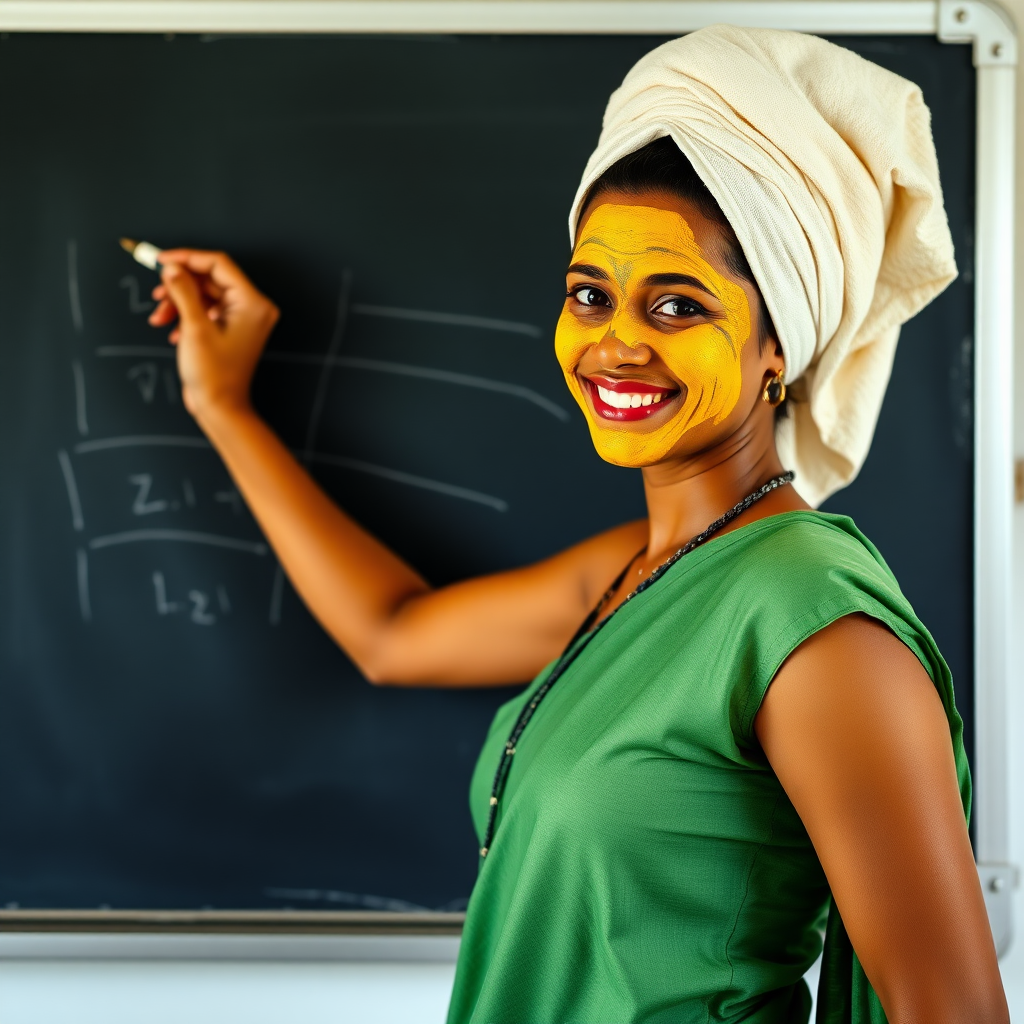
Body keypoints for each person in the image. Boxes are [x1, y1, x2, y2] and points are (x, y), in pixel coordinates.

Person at [147, 25, 1007, 1024]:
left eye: (677, 306)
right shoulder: (634, 571)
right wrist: (226, 407)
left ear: (781, 345)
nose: (614, 344)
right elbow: (391, 633)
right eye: (588, 295)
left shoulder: (811, 625)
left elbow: (951, 1012)